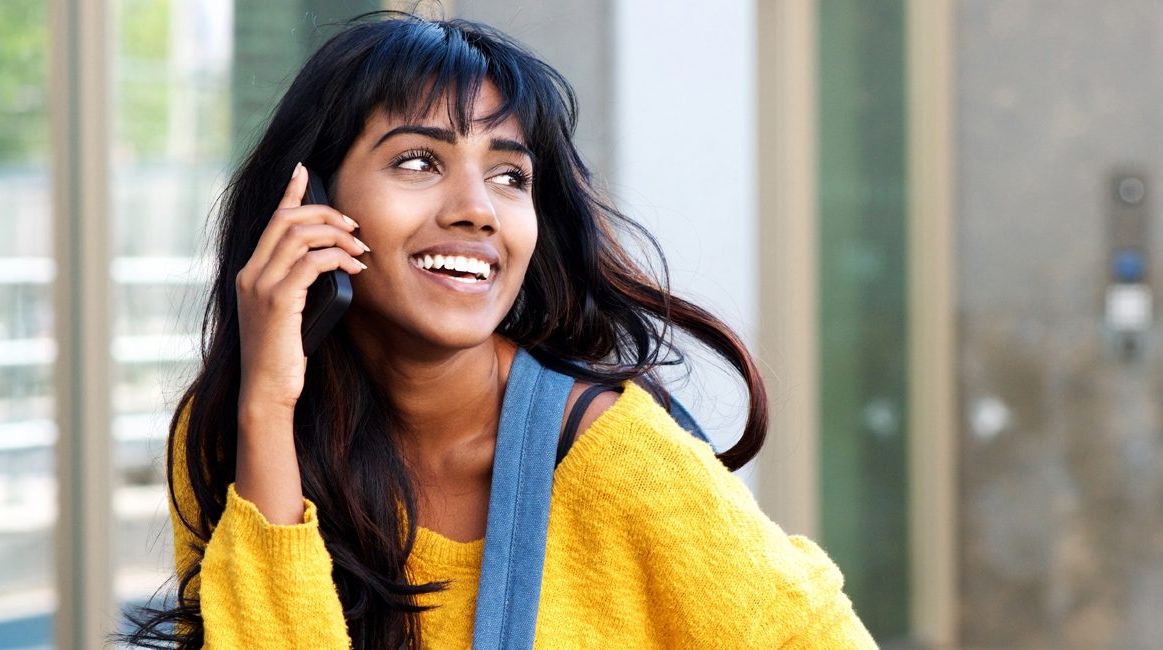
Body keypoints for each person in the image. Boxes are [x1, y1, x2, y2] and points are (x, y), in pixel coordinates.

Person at [124, 11, 874, 649]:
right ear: (311, 203)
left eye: (511, 176)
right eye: (419, 161)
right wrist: (266, 409)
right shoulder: (235, 432)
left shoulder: (615, 457)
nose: (477, 208)